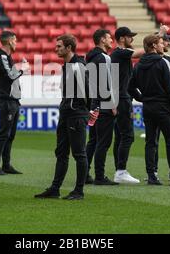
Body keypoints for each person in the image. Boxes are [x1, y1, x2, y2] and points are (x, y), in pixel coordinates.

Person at [128, 34, 170, 186]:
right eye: (159, 43)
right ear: (153, 46)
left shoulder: (138, 65)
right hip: (164, 107)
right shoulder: (162, 62)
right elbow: (169, 88)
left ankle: (152, 176)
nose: (162, 45)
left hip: (148, 108)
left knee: (151, 142)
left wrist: (142, 98)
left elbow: (130, 87)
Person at [35, 34, 90, 200]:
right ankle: (55, 188)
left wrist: (84, 111)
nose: (56, 49)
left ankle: (79, 191)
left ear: (69, 48)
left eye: (59, 46)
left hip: (75, 115)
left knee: (79, 154)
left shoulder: (77, 66)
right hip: (66, 113)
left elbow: (89, 90)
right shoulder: (67, 66)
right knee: (61, 153)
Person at [85, 29, 118, 185]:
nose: (112, 40)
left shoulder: (90, 58)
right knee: (103, 142)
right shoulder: (104, 58)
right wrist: (112, 104)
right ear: (102, 40)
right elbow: (106, 84)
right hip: (104, 105)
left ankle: (84, 173)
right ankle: (100, 176)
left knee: (93, 141)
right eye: (109, 38)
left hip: (93, 104)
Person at [111, 27, 144, 184]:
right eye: (130, 37)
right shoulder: (119, 53)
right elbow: (140, 53)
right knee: (128, 136)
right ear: (122, 39)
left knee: (120, 136)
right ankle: (121, 171)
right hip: (122, 99)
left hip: (122, 98)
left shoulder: (120, 55)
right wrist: (158, 37)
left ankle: (119, 169)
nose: (132, 39)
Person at [0, 30, 25, 175]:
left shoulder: (7, 57)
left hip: (14, 101)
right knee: (4, 134)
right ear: (10, 41)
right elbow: (11, 76)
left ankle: (6, 165)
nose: (16, 43)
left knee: (10, 135)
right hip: (7, 101)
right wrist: (22, 69)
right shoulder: (1, 57)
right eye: (15, 40)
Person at [152, 25, 170, 181]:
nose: (168, 44)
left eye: (169, 41)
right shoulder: (152, 59)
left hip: (165, 102)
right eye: (166, 40)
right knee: (155, 141)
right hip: (161, 104)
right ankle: (154, 172)